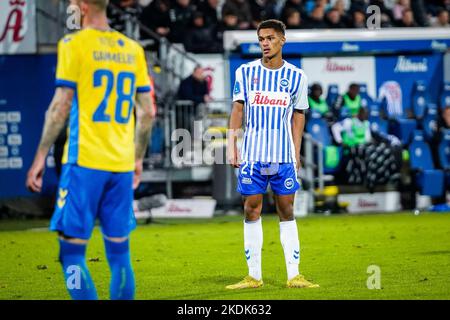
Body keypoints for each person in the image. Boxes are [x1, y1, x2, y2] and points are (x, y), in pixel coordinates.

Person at [26, 0, 154, 300]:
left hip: (84, 161)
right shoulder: (132, 49)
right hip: (121, 165)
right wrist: (137, 158)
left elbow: (60, 107)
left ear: (82, 7)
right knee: (120, 254)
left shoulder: (74, 43)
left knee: (71, 254)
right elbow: (147, 113)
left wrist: (39, 157)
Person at [227, 19, 319, 289]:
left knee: (286, 210)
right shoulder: (245, 72)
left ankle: (294, 275)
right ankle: (253, 276)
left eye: (269, 38)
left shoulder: (297, 76)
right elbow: (237, 111)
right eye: (261, 39)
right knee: (251, 209)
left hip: (282, 156)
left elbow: (299, 115)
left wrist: (296, 151)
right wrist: (232, 145)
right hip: (253, 155)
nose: (264, 43)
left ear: (282, 40)